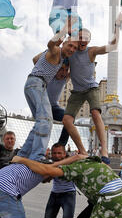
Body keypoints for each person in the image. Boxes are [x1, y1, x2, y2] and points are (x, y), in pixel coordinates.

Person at [62, 13, 122, 164]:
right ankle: (82, 150)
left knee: (95, 113)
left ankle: (104, 149)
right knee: (66, 120)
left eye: (86, 38)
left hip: (91, 88)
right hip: (77, 91)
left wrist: (117, 27)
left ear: (89, 40)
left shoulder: (92, 51)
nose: (83, 40)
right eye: (80, 37)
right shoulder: (72, 50)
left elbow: (113, 46)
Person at [17, 21, 78, 161]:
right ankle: (37, 156)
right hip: (37, 83)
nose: (72, 49)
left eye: (74, 48)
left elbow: (35, 59)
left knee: (41, 121)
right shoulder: (56, 51)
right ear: (63, 44)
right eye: (70, 46)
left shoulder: (61, 59)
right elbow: (51, 45)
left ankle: (22, 155)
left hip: (34, 84)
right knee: (46, 120)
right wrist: (64, 31)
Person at [12, 155, 122, 218]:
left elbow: (45, 169)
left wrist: (21, 160)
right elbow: (78, 156)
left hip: (111, 200)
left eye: (49, 179)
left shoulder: (76, 169)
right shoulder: (89, 160)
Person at [0, 153, 86, 218]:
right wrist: (81, 157)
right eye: (51, 177)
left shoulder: (23, 166)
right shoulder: (40, 168)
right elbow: (73, 159)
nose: (49, 180)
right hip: (5, 191)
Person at [32, 53, 70, 147]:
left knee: (69, 118)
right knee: (43, 126)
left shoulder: (64, 79)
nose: (63, 73)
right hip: (43, 107)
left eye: (66, 70)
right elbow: (35, 60)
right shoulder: (48, 75)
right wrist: (56, 50)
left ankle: (61, 144)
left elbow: (76, 68)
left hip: (54, 107)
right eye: (61, 69)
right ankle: (36, 145)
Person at [44, 143, 76, 218]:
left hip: (68, 194)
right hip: (54, 193)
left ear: (64, 154)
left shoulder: (71, 163)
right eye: (54, 153)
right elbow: (44, 180)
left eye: (59, 153)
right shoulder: (51, 163)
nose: (57, 156)